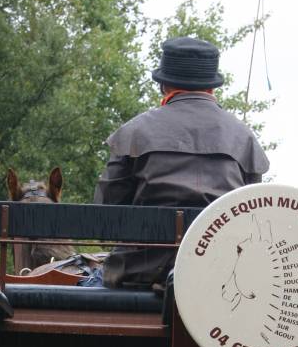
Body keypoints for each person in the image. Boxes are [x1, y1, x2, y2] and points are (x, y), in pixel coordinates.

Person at [94, 36, 269, 287]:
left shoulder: (134, 133)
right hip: (223, 279)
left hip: (136, 277)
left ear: (164, 86)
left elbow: (105, 220)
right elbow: (253, 216)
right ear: (212, 88)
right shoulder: (243, 138)